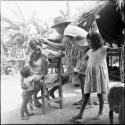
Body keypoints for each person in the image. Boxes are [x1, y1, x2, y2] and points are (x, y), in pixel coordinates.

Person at [40, 16, 92, 107]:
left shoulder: (68, 29)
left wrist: (47, 42)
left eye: (56, 27)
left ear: (62, 25)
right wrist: (46, 40)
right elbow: (58, 40)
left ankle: (87, 101)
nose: (56, 30)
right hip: (86, 52)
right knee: (81, 76)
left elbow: (62, 46)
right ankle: (85, 99)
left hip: (89, 52)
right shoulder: (66, 31)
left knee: (83, 76)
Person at [71, 31, 110, 121]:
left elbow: (118, 50)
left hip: (100, 74)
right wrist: (72, 41)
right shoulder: (89, 51)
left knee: (100, 94)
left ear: (95, 41)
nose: (87, 43)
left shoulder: (103, 49)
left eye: (89, 41)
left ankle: (100, 112)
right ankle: (80, 114)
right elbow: (80, 48)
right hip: (90, 74)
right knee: (86, 93)